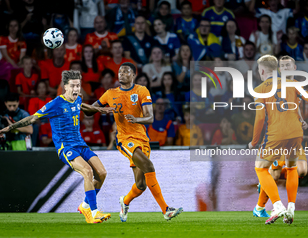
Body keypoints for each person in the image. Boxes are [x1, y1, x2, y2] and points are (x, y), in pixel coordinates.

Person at [0, 70, 113, 223]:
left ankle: (85, 205)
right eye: (72, 86)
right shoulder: (55, 104)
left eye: (78, 85)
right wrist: (10, 127)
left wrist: (100, 109)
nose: (75, 89)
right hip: (66, 147)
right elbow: (33, 118)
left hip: (80, 144)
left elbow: (82, 107)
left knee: (102, 172)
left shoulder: (77, 99)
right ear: (65, 86)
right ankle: (93, 212)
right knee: (87, 171)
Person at [248, 55, 308, 224]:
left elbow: (260, 119)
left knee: (260, 169)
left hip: (276, 134)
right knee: (292, 169)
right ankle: (290, 208)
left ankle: (277, 205)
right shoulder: (293, 84)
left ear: (261, 70)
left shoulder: (260, 89)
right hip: (296, 133)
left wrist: (254, 142)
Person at [92, 62, 183, 221]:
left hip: (142, 139)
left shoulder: (141, 90)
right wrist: (81, 105)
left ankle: (124, 201)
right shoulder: (110, 93)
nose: (121, 74)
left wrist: (136, 119)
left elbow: (150, 118)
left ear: (133, 75)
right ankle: (166, 210)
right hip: (124, 139)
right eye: (120, 71)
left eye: (126, 71)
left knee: (141, 185)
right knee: (148, 165)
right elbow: (91, 109)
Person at [253, 55, 308, 218]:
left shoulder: (294, 87)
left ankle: (274, 204)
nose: (284, 69)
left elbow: (293, 108)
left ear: (294, 68)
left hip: (289, 133)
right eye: (282, 66)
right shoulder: (278, 85)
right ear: (278, 69)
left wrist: (301, 119)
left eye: (287, 66)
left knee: (302, 170)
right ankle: (263, 207)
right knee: (275, 173)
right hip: (279, 134)